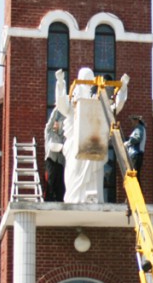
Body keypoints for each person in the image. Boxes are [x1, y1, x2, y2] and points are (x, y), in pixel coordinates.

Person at [55, 68, 128, 203]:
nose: (87, 85)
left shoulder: (96, 103)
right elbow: (61, 105)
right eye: (85, 79)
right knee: (74, 177)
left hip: (92, 149)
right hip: (75, 150)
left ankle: (93, 199)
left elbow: (114, 108)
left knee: (94, 178)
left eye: (90, 80)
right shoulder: (73, 103)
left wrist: (123, 89)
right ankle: (75, 200)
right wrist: (60, 83)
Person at [43, 107, 66, 202]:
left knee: (60, 184)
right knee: (50, 181)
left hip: (60, 163)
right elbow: (50, 121)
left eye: (58, 124)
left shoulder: (62, 137)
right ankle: (48, 199)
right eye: (55, 124)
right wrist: (57, 108)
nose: (56, 125)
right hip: (51, 161)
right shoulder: (49, 133)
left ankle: (59, 199)